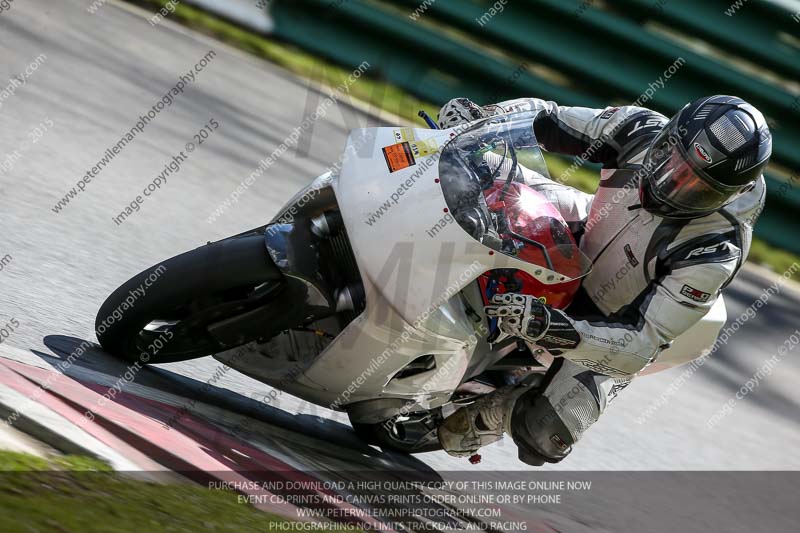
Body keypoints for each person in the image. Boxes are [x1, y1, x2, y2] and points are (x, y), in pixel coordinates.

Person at [435, 95, 772, 465]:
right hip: (583, 230)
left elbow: (643, 342)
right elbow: (547, 117)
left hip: (604, 321)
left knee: (547, 434)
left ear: (728, 195)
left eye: (697, 188)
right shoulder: (639, 127)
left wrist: (556, 330)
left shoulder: (715, 249)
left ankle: (500, 408)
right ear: (669, 135)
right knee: (469, 165)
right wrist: (485, 116)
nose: (670, 184)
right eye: (672, 162)